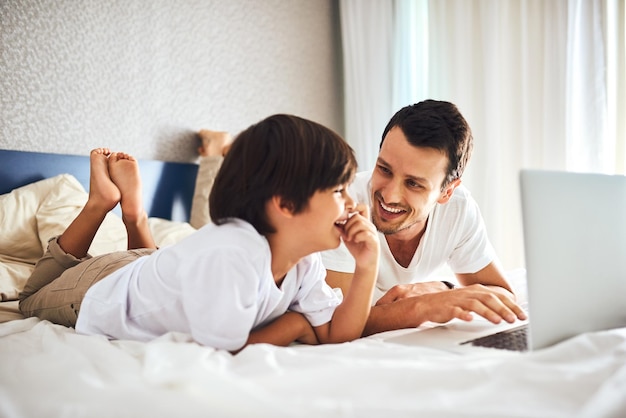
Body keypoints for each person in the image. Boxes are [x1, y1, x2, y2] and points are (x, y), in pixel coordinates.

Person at [18, 114, 380, 352]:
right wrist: (293, 324)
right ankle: (101, 203)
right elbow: (228, 350)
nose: (353, 203)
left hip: (157, 267)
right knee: (31, 297)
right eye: (338, 191)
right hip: (99, 288)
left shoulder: (305, 262)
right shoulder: (233, 254)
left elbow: (337, 335)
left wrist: (367, 265)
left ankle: (134, 216)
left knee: (158, 264)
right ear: (285, 203)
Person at [322, 100, 527, 336]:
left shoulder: (458, 209)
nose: (389, 195)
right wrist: (423, 307)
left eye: (413, 184)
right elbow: (338, 323)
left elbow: (501, 294)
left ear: (447, 191)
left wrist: (443, 289)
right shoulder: (341, 202)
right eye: (384, 169)